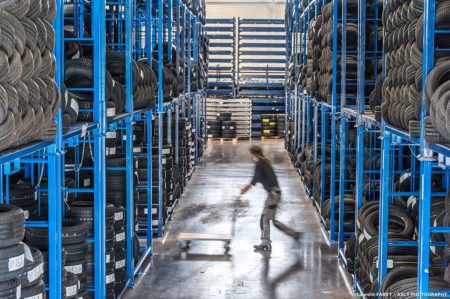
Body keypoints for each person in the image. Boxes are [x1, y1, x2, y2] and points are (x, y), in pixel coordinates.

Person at [241, 145, 300, 251]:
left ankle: (265, 243)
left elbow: (254, 180)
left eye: (251, 155)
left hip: (273, 195)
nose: (250, 157)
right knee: (271, 220)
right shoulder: (264, 161)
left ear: (254, 154)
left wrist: (244, 189)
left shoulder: (260, 163)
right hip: (274, 194)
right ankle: (294, 234)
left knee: (265, 219)